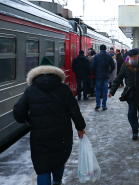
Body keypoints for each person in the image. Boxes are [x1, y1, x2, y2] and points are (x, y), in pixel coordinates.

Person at [13, 56, 86, 185]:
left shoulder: (31, 90)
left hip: (40, 135)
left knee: (43, 167)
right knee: (58, 159)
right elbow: (74, 110)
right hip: (62, 133)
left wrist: (26, 120)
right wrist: (80, 127)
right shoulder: (64, 89)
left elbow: (18, 111)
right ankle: (57, 182)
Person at [108, 49, 139, 140]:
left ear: (138, 56)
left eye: (134, 57)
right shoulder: (125, 66)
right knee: (132, 112)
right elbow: (118, 79)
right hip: (130, 93)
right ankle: (135, 131)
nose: (133, 58)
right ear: (129, 57)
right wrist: (111, 92)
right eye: (131, 57)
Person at [91, 44, 115, 110]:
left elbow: (92, 66)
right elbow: (113, 66)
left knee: (98, 90)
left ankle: (98, 104)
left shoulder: (96, 56)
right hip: (106, 76)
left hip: (98, 76)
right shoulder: (109, 56)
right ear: (105, 49)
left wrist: (95, 73)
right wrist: (109, 72)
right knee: (105, 90)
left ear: (100, 49)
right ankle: (104, 105)